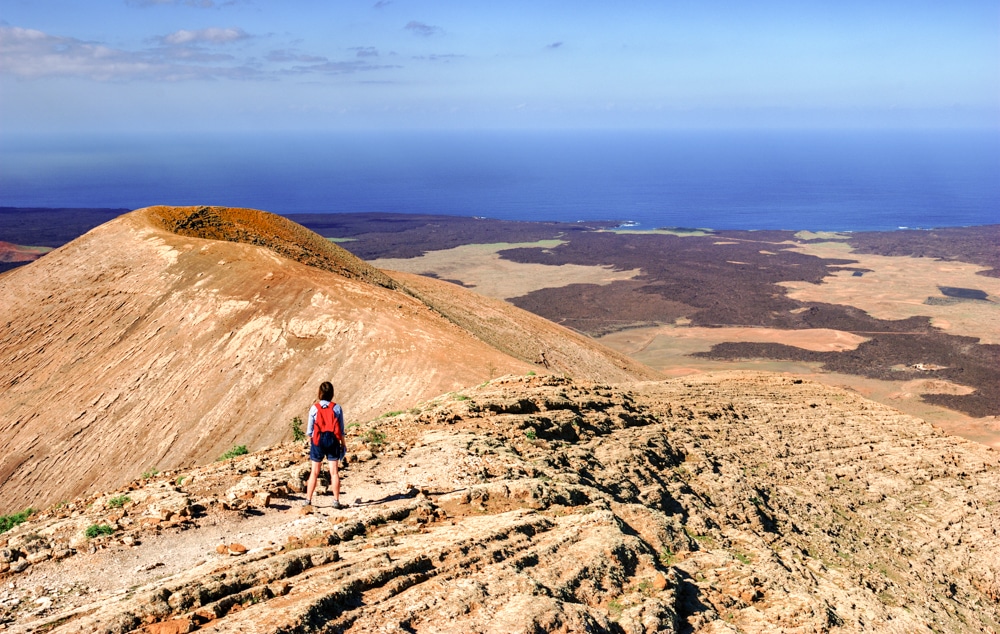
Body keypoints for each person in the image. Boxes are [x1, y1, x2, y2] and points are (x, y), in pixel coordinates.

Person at [304, 381, 346, 509]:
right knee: (334, 472)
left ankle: (308, 500)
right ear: (332, 393)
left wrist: (313, 441)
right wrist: (343, 444)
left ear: (320, 393)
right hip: (333, 440)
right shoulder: (337, 408)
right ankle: (336, 501)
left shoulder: (314, 408)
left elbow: (309, 431)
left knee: (314, 472)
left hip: (318, 440)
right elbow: (341, 430)